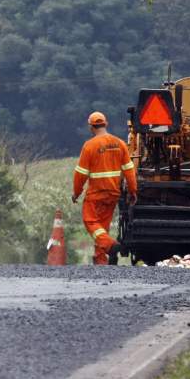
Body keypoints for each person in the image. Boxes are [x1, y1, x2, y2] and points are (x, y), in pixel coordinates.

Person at [73, 112, 137, 265]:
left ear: (91, 126)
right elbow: (129, 170)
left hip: (96, 194)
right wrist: (133, 191)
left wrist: (76, 193)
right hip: (113, 194)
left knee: (90, 221)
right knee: (102, 227)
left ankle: (111, 247)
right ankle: (101, 259)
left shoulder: (89, 146)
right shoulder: (120, 143)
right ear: (105, 124)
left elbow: (80, 174)